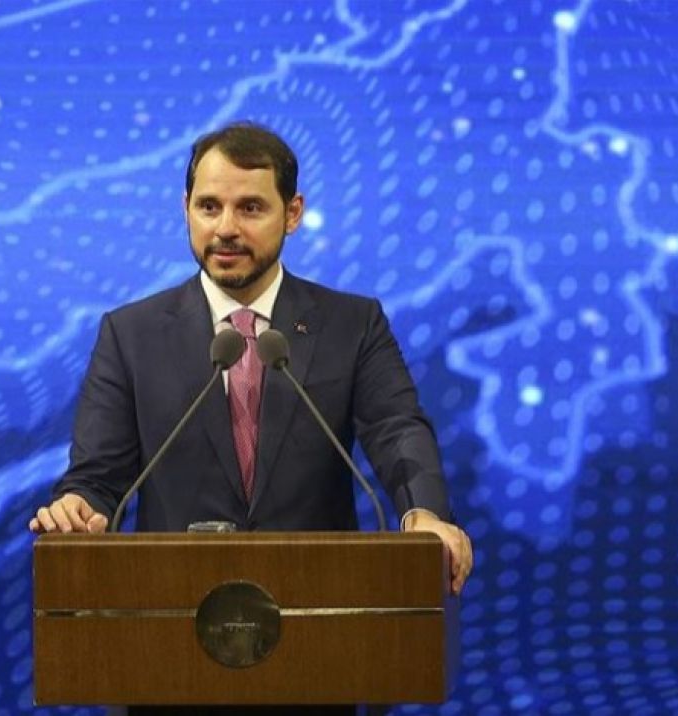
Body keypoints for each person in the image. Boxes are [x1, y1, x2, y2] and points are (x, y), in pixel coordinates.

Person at [28, 121, 472, 596]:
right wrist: (79, 507)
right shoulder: (130, 334)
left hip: (317, 602)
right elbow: (97, 478)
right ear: (185, 209)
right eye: (209, 207)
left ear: (293, 213)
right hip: (173, 605)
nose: (225, 229)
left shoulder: (352, 324)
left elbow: (396, 428)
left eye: (251, 208)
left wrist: (423, 512)